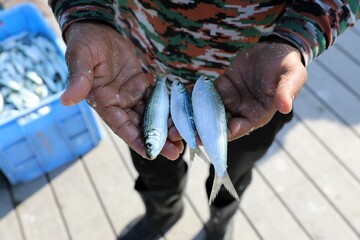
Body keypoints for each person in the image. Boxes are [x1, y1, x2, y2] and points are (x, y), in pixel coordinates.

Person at [49, 1, 359, 239]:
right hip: (138, 73)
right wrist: (84, 14)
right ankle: (163, 213)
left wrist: (297, 38)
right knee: (153, 160)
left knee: (234, 170)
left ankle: (219, 221)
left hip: (254, 83)